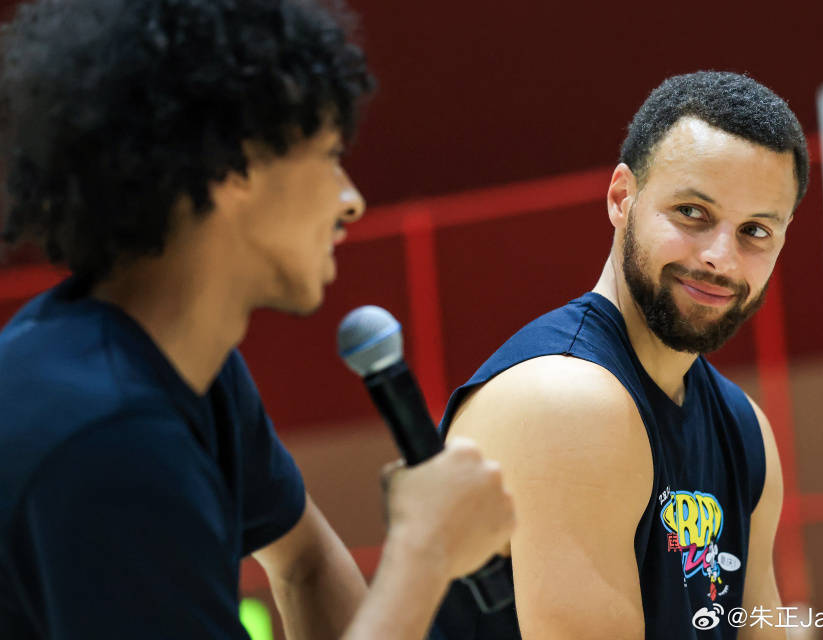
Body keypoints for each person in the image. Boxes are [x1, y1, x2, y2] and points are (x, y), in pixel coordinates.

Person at [0, 1, 514, 639]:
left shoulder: (183, 364)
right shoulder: (106, 439)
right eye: (329, 155)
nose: (350, 200)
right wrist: (423, 555)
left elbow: (305, 562)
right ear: (233, 167)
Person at [429, 71, 809, 639]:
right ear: (621, 198)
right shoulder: (567, 401)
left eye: (755, 230)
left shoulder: (744, 427)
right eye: (692, 213)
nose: (720, 258)